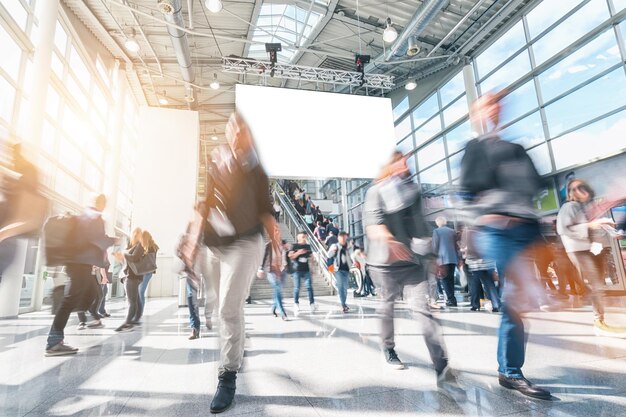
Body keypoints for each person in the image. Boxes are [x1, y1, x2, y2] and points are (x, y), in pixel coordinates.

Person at [460, 92, 550, 399]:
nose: (494, 109)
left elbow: (536, 184)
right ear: (477, 113)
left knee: (519, 298)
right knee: (517, 291)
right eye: (486, 105)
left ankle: (508, 369)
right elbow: (469, 189)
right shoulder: (475, 148)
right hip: (496, 228)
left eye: (497, 103)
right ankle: (511, 371)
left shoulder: (515, 148)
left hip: (524, 227)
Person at [364, 152, 464, 399]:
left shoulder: (413, 192)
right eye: (400, 161)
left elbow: (420, 226)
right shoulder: (375, 191)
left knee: (423, 311)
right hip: (383, 263)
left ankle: (442, 369)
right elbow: (372, 225)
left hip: (412, 263)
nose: (405, 166)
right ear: (389, 166)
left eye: (407, 162)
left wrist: (432, 258)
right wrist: (389, 240)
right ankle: (388, 348)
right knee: (387, 307)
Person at [203, 112, 281, 414]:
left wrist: (277, 250)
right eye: (231, 129)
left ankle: (228, 375)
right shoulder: (217, 163)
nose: (236, 134)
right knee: (224, 306)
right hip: (216, 244)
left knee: (227, 309)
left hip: (247, 242)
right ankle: (236, 353)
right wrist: (191, 238)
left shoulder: (256, 171)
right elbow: (207, 201)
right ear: (226, 133)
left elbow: (266, 211)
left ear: (248, 135)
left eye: (241, 129)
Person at [45, 194, 113, 356]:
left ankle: (84, 321)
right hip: (80, 264)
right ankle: (54, 341)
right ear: (102, 204)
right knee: (71, 300)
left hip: (77, 263)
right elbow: (98, 239)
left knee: (88, 294)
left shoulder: (85, 215)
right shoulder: (95, 217)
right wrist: (113, 241)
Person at [556, 179, 625, 337]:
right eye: (575, 188)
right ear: (571, 192)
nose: (580, 191)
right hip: (578, 250)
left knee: (598, 284)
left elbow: (594, 226)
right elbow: (564, 228)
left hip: (591, 248)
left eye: (582, 187)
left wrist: (613, 232)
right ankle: (599, 321)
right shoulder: (569, 207)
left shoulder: (584, 208)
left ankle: (600, 320)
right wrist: (591, 225)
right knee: (596, 284)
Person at [460, 226, 500, 312]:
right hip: (488, 262)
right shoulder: (488, 230)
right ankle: (496, 305)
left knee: (474, 285)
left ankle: (475, 305)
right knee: (490, 285)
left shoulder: (468, 232)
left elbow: (464, 246)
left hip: (475, 263)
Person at [116, 228, 144, 332]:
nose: (135, 235)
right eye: (134, 234)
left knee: (132, 301)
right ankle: (134, 320)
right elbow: (125, 262)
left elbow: (134, 258)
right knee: (135, 299)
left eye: (137, 234)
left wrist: (124, 253)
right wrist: (120, 258)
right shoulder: (129, 246)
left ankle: (128, 323)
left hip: (133, 277)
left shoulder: (140, 246)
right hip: (127, 275)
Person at [432, 217, 459, 307]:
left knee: (444, 279)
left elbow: (435, 247)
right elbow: (456, 246)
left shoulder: (436, 231)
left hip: (442, 259)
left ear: (437, 223)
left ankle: (451, 300)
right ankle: (452, 299)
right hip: (453, 258)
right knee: (450, 279)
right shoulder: (452, 231)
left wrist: (434, 259)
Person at [289, 231, 317, 316]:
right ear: (299, 237)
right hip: (296, 270)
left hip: (306, 270)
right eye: (303, 237)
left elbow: (311, 258)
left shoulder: (308, 246)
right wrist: (298, 253)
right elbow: (290, 256)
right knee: (297, 288)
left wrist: (312, 269)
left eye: (305, 237)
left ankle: (312, 304)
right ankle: (296, 304)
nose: (304, 238)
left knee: (309, 287)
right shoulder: (294, 246)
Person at [134, 230, 158, 323]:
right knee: (140, 292)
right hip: (147, 271)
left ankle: (139, 314)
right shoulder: (152, 246)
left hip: (145, 271)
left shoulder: (150, 247)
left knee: (140, 292)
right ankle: (138, 313)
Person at [262, 240, 288, 320]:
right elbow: (263, 257)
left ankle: (273, 308)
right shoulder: (268, 245)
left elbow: (286, 257)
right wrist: (260, 269)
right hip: (271, 271)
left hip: (282, 271)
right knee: (277, 289)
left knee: (278, 290)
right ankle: (282, 312)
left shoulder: (283, 243)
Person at [327, 231, 351, 313]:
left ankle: (343, 303)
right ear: (338, 238)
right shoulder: (335, 246)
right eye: (342, 238)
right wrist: (333, 251)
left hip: (347, 269)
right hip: (338, 269)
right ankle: (343, 304)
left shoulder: (348, 246)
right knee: (340, 287)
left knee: (345, 288)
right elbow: (328, 255)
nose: (343, 240)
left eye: (344, 238)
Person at [76, 265, 105, 329]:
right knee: (80, 299)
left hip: (94, 277)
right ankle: (82, 322)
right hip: (82, 278)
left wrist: (96, 267)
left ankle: (96, 319)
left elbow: (101, 265)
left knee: (99, 296)